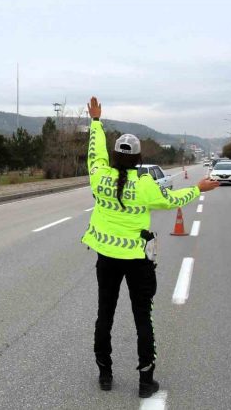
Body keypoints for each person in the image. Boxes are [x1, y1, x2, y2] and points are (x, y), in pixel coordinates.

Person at [82, 96, 219, 398]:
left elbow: (94, 153)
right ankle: (146, 381)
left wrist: (95, 122)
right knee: (142, 316)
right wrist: (199, 188)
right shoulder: (145, 185)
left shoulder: (99, 177)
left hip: (107, 258)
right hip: (137, 261)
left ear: (114, 156)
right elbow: (174, 200)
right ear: (139, 159)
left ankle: (105, 375)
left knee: (105, 314)